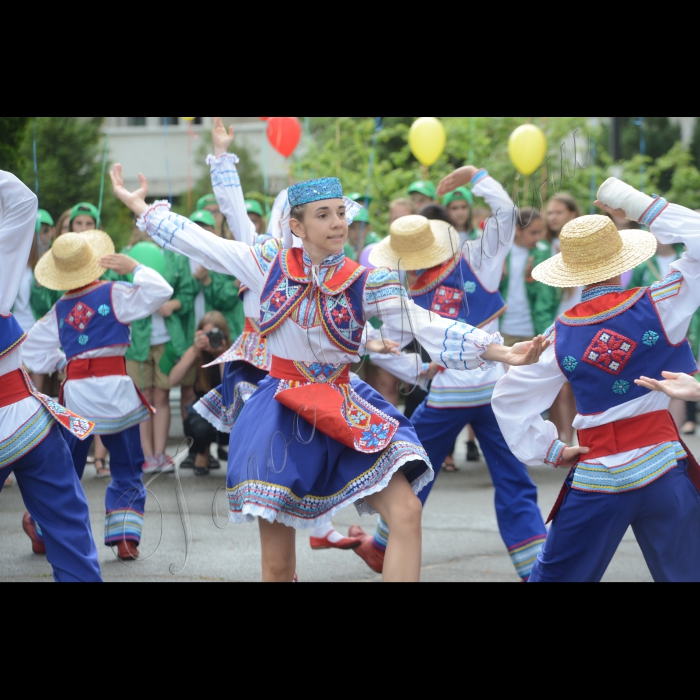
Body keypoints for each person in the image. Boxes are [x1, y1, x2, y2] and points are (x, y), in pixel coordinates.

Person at [112, 158, 547, 583]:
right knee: (279, 568)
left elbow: (422, 322)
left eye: (341, 212)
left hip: (343, 405)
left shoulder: (366, 281)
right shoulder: (268, 265)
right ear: (297, 227)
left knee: (407, 510)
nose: (338, 223)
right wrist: (141, 208)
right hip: (282, 412)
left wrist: (501, 352)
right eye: (324, 215)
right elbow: (201, 242)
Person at [493, 178, 700, 583]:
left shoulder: (559, 335)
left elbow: (508, 395)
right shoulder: (662, 302)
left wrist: (550, 449)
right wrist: (637, 205)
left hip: (599, 473)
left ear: (569, 271)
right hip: (662, 467)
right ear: (623, 259)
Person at [349, 166, 549, 580]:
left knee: (412, 470)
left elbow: (384, 349)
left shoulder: (409, 292)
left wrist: (422, 371)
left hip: (446, 397)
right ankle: (535, 569)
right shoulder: (479, 261)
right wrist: (476, 177)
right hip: (496, 390)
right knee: (513, 480)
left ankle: (383, 546)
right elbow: (507, 212)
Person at [24, 229, 174, 561]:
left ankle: (43, 528)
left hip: (77, 395)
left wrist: (68, 360)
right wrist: (133, 265)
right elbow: (161, 290)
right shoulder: (115, 293)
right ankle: (124, 537)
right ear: (94, 263)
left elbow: (31, 354)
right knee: (127, 463)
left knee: (65, 467)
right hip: (116, 393)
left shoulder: (58, 311)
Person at [0, 170, 102, 582]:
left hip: (26, 414)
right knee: (68, 527)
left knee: (68, 521)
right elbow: (23, 202)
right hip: (25, 421)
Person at [170, 312, 231, 475]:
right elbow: (172, 380)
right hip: (203, 415)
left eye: (215, 334)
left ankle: (223, 449)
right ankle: (202, 453)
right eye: (206, 335)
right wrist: (194, 351)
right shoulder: (197, 354)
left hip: (226, 413)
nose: (211, 339)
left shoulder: (231, 354)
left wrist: (222, 355)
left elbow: (229, 389)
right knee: (200, 426)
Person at [499, 207, 558, 345]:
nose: (537, 237)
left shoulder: (542, 252)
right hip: (503, 327)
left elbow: (545, 296)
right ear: (518, 230)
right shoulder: (501, 251)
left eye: (540, 232)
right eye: (533, 233)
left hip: (532, 329)